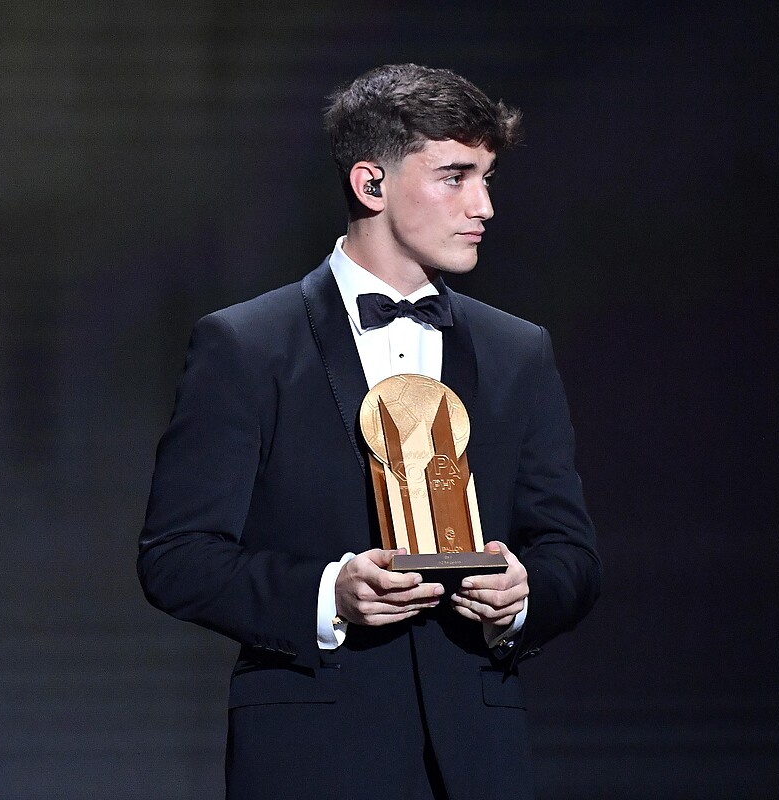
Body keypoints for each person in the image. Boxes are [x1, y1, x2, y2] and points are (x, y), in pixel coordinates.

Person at [138, 63, 601, 800]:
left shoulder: (517, 351)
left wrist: (523, 594)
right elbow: (177, 558)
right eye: (454, 176)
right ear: (371, 184)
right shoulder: (248, 345)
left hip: (477, 761)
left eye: (487, 178)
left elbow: (571, 554)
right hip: (310, 756)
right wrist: (330, 594)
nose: (483, 205)